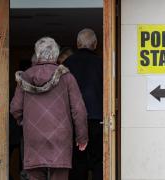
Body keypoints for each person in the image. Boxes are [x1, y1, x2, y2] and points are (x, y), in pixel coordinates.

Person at [10, 37, 88, 180]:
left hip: (33, 139)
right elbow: (79, 109)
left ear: (37, 54)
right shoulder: (67, 77)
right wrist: (82, 138)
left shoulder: (25, 77)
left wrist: (25, 123)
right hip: (60, 140)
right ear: (56, 55)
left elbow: (15, 108)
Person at [64, 28, 103, 180]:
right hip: (99, 120)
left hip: (73, 122)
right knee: (99, 163)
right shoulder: (102, 64)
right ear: (95, 44)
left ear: (78, 44)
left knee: (77, 164)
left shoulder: (67, 64)